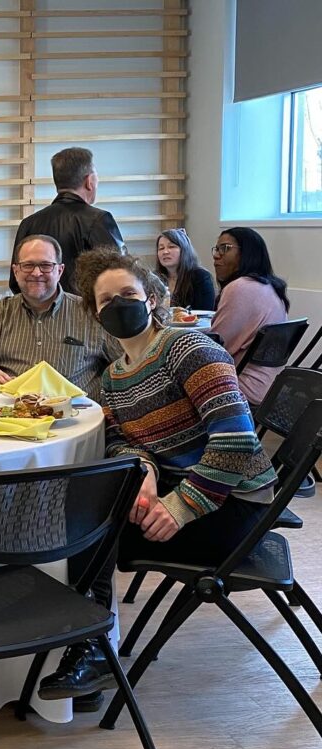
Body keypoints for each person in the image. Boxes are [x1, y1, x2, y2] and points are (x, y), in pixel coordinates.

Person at [37, 247, 277, 709]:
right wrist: (143, 470)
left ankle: (91, 649)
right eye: (106, 301)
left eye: (128, 294)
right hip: (180, 487)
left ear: (151, 297)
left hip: (235, 505)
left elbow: (237, 440)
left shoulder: (188, 349)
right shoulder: (113, 378)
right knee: (84, 508)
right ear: (95, 314)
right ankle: (89, 646)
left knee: (85, 528)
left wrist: (181, 505)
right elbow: (119, 440)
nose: (119, 306)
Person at [0, 234, 119, 401]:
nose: (36, 273)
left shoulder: (90, 313)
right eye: (28, 265)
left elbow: (127, 362)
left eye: (46, 265)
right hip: (12, 412)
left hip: (76, 413)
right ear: (16, 271)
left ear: (60, 271)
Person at [9, 146, 125, 293]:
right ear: (89, 181)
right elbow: (120, 276)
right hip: (85, 307)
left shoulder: (28, 224)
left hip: (36, 307)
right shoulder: (99, 220)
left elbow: (16, 283)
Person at [209, 227, 290, 406]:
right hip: (272, 385)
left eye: (225, 248)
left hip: (244, 385)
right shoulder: (272, 287)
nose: (216, 256)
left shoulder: (240, 287)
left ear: (247, 253)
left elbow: (214, 348)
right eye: (217, 249)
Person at [154, 228, 215, 310]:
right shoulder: (154, 278)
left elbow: (205, 312)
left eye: (171, 247)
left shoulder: (201, 276)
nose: (165, 252)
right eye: (161, 248)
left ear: (184, 250)